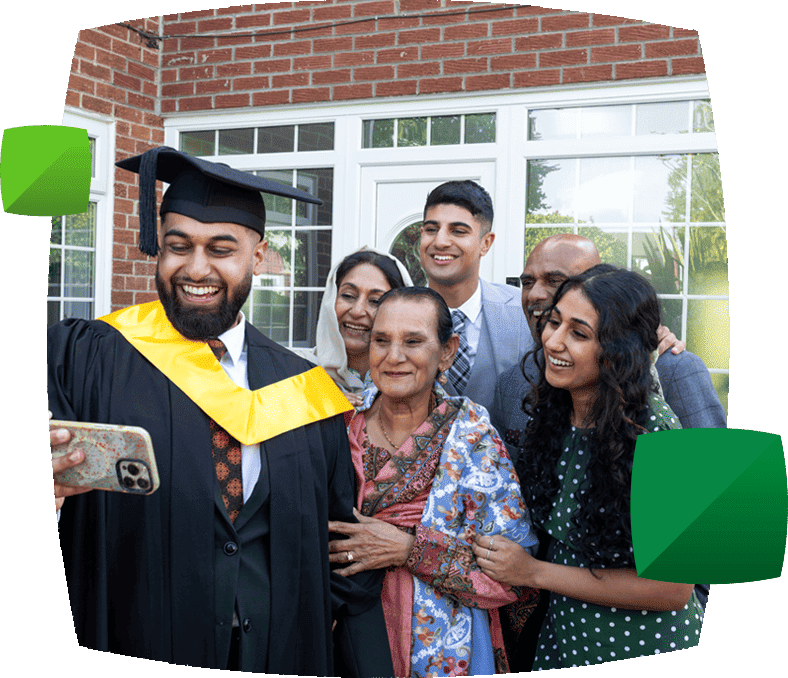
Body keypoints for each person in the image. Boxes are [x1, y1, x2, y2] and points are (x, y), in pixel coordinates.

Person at [49, 146, 393, 676]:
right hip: (130, 638)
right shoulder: (87, 357)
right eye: (177, 246)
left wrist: (307, 627)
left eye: (221, 248)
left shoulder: (303, 391)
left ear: (257, 257)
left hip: (273, 652)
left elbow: (337, 539)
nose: (196, 268)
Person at [473, 265, 704, 670]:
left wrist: (534, 572)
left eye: (579, 333)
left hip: (645, 647)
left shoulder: (660, 433)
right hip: (566, 640)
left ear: (618, 351)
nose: (554, 341)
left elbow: (673, 588)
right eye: (554, 323)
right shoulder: (555, 415)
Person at [326, 287, 540, 676]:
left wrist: (410, 548)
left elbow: (511, 574)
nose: (394, 357)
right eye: (381, 340)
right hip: (341, 636)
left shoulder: (472, 440)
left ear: (447, 351)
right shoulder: (337, 429)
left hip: (445, 646)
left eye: (413, 342)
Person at [489, 233, 724, 469]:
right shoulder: (513, 382)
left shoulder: (672, 368)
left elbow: (714, 475)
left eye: (554, 280)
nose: (534, 294)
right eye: (527, 283)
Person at [419, 180, 533, 411]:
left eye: (458, 231)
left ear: (485, 243)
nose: (440, 241)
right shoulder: (394, 313)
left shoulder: (522, 311)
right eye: (431, 229)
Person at [291, 247, 412, 405]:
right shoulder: (295, 372)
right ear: (331, 299)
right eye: (348, 296)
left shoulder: (414, 382)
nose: (357, 311)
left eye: (375, 301)